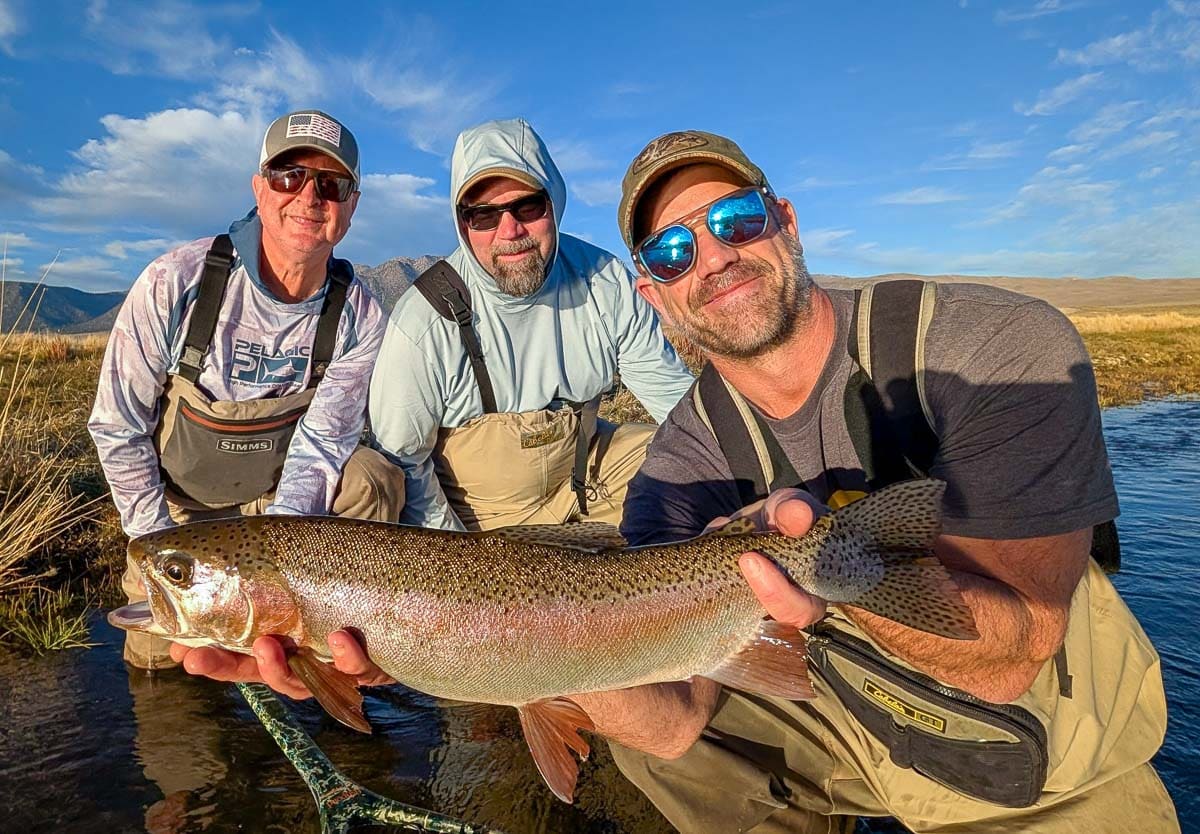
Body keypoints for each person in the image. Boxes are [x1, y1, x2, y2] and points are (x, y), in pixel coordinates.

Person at [564, 130, 1177, 832]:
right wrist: (544, 654)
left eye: (736, 220)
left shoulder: (991, 347)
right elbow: (675, 726)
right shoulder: (681, 462)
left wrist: (824, 572)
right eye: (673, 253)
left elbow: (1013, 656)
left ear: (787, 223)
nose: (715, 258)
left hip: (1055, 759)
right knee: (673, 753)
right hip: (849, 718)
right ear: (653, 294)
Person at [89, 109, 404, 671]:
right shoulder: (177, 281)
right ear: (259, 188)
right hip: (174, 516)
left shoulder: (360, 315)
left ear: (351, 207)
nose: (309, 197)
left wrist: (273, 581)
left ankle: (342, 657)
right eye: (289, 176)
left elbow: (324, 445)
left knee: (370, 478)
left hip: (279, 515)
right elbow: (119, 425)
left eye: (331, 185)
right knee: (163, 670)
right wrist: (165, 552)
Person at [367, 117, 694, 531]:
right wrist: (460, 563)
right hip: (478, 523)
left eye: (527, 206)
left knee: (697, 465)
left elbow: (676, 403)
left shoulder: (605, 281)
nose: (510, 230)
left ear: (554, 202)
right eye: (483, 215)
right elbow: (404, 463)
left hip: (586, 483)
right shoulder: (424, 321)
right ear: (461, 223)